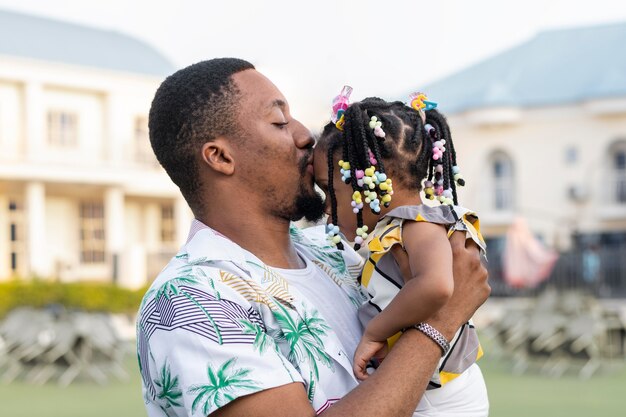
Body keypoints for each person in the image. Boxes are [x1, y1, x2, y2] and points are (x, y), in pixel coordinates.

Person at [137, 58, 490, 417]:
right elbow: (444, 303)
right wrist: (440, 321)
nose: (305, 135)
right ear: (221, 157)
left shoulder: (338, 252)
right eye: (279, 121)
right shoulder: (189, 300)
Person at [314, 92, 489, 415]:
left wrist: (374, 331)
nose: (327, 207)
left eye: (329, 189)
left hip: (442, 398)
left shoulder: (420, 225)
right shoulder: (396, 229)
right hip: (428, 388)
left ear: (370, 179)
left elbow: (437, 286)